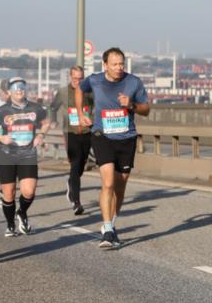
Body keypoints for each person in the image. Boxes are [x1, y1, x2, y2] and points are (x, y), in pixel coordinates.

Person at [77, 48, 150, 249]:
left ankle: (112, 224)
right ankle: (107, 229)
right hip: (102, 135)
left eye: (121, 64)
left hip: (127, 137)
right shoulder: (95, 80)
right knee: (108, 182)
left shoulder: (133, 82)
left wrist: (132, 105)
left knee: (120, 185)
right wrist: (81, 112)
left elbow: (147, 109)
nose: (119, 68)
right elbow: (79, 89)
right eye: (115, 64)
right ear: (105, 65)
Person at [0, 77, 51, 237]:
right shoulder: (3, 110)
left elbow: (47, 122)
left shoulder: (36, 108)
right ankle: (10, 225)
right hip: (6, 155)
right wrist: (1, 138)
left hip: (27, 154)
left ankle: (21, 212)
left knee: (28, 191)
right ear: (9, 92)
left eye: (22, 87)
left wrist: (41, 135)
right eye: (15, 88)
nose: (19, 90)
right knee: (9, 193)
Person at [58, 66, 93, 215]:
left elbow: (97, 106)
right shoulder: (63, 93)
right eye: (75, 78)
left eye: (81, 78)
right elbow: (52, 108)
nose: (78, 81)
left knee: (80, 166)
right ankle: (76, 202)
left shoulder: (89, 92)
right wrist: (55, 121)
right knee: (75, 162)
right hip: (70, 132)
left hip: (87, 132)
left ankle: (71, 182)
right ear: (70, 77)